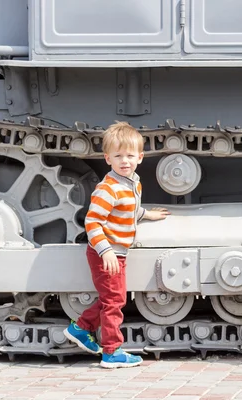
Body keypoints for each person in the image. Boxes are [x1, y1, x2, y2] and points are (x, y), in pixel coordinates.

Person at [64, 121, 169, 368]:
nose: (125, 161)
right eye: (118, 156)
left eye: (130, 155)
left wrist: (147, 214)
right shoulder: (107, 188)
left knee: (113, 297)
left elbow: (127, 210)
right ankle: (112, 351)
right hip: (107, 253)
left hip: (116, 252)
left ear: (140, 157)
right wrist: (106, 251)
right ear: (107, 158)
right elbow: (93, 222)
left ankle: (81, 328)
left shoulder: (132, 182)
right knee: (114, 302)